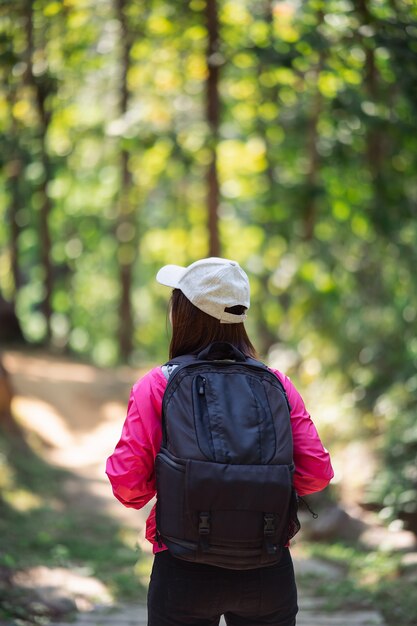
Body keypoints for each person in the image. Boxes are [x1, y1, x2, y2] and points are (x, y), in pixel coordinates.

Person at [106, 257, 334, 626]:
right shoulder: (277, 383)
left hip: (182, 567)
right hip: (267, 565)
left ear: (184, 313)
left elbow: (127, 485)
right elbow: (317, 473)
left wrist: (179, 484)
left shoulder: (159, 385)